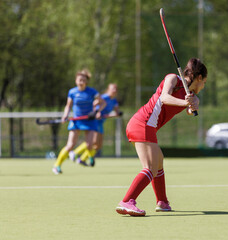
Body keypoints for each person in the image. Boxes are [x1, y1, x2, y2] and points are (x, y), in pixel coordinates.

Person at [115, 58, 207, 216]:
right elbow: (164, 97)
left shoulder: (192, 95)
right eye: (204, 81)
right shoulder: (172, 78)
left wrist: (193, 105)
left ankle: (162, 202)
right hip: (143, 123)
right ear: (199, 78)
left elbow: (190, 111)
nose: (204, 85)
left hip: (148, 126)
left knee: (158, 162)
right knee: (150, 167)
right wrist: (185, 103)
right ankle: (127, 201)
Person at [52, 69, 106, 175]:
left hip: (89, 120)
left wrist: (96, 111)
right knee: (70, 145)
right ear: (76, 81)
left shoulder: (92, 92)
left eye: (83, 80)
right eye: (79, 80)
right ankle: (57, 165)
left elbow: (103, 103)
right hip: (76, 121)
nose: (81, 82)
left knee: (90, 145)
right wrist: (65, 115)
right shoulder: (72, 92)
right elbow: (68, 106)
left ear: (86, 82)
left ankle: (90, 158)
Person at [69, 83, 122, 166]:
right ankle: (75, 153)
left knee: (98, 145)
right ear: (108, 89)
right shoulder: (104, 97)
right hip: (95, 121)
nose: (114, 90)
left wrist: (118, 113)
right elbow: (94, 104)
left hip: (101, 122)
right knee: (93, 142)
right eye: (112, 89)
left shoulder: (114, 100)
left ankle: (82, 159)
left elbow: (116, 112)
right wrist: (97, 112)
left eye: (116, 89)